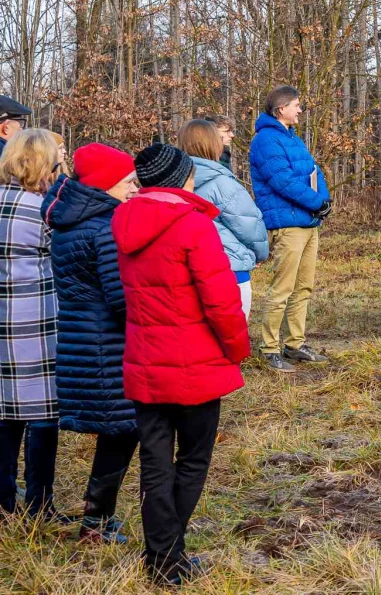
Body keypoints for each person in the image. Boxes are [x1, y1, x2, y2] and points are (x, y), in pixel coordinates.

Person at [113, 143, 249, 585]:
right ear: (180, 179)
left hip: (145, 360)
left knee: (155, 462)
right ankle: (168, 558)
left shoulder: (124, 220)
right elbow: (221, 300)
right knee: (192, 460)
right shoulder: (193, 226)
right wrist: (236, 349)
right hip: (194, 364)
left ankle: (161, 557)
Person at [42, 143, 138, 542]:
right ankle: (96, 522)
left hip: (83, 339)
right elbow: (120, 297)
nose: (135, 187)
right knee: (121, 429)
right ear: (107, 183)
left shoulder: (72, 221)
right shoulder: (105, 226)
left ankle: (97, 517)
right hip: (105, 344)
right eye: (128, 180)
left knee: (118, 429)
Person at [0, 129, 61, 520]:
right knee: (42, 415)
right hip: (35, 322)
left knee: (4, 413)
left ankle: (3, 499)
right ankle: (40, 504)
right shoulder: (42, 210)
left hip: (4, 322)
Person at [249, 86, 331, 372]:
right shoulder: (266, 141)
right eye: (296, 105)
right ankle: (269, 348)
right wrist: (316, 202)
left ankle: (295, 344)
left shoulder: (291, 138)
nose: (300, 110)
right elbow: (281, 181)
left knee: (303, 287)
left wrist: (325, 200)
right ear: (280, 109)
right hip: (287, 224)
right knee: (282, 288)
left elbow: (314, 171)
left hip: (307, 221)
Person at [181, 119, 269, 320]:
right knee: (232, 336)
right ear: (213, 144)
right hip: (229, 267)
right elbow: (249, 224)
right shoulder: (221, 182)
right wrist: (259, 254)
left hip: (187, 269)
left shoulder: (171, 179)